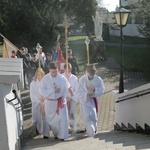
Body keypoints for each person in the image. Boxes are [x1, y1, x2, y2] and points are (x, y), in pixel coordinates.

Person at [39, 62, 72, 141]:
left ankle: (63, 136)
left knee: (63, 119)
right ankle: (57, 133)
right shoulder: (45, 79)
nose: (54, 73)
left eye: (55, 71)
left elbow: (67, 85)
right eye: (52, 72)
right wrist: (53, 90)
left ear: (57, 70)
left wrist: (69, 89)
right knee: (53, 121)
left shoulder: (62, 77)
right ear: (49, 70)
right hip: (50, 103)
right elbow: (41, 91)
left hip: (61, 101)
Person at [77, 64, 105, 137]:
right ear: (86, 72)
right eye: (90, 74)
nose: (91, 76)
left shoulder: (98, 79)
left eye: (92, 75)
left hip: (93, 100)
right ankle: (91, 133)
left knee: (94, 118)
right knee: (86, 117)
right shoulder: (82, 79)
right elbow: (78, 91)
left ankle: (94, 130)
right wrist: (86, 94)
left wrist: (94, 89)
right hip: (85, 101)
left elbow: (102, 89)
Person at [30, 68, 50, 139]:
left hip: (44, 102)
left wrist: (44, 99)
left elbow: (47, 91)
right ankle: (38, 130)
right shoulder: (33, 83)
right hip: (37, 103)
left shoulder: (45, 82)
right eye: (38, 74)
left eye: (40, 74)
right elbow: (32, 94)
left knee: (45, 118)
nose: (39, 76)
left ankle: (45, 133)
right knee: (38, 118)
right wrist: (39, 101)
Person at [63, 63, 79, 133]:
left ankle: (74, 126)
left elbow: (76, 89)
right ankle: (67, 127)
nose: (67, 71)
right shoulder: (61, 77)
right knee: (65, 113)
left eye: (68, 70)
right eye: (66, 70)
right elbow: (61, 89)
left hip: (72, 98)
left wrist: (71, 96)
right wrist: (66, 97)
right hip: (64, 99)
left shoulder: (74, 78)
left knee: (73, 112)